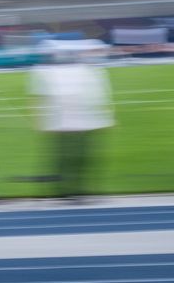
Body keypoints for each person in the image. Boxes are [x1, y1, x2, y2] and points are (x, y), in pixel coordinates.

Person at [28, 39, 114, 200]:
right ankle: (68, 189)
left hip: (74, 122)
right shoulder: (76, 71)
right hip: (68, 123)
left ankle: (74, 188)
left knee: (76, 156)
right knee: (69, 156)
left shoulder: (82, 71)